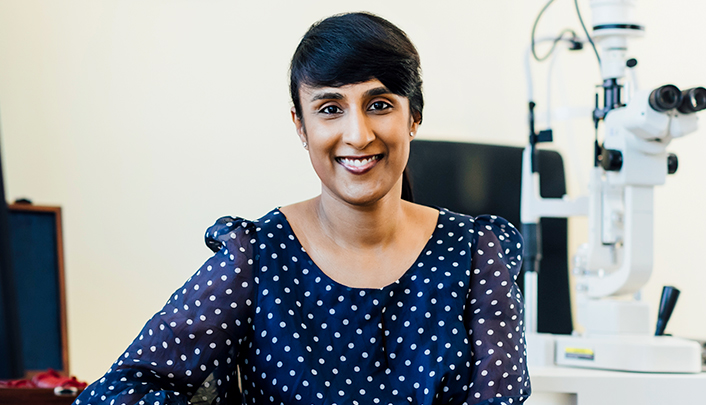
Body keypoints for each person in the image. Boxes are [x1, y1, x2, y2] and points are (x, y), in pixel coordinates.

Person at [74, 12, 530, 405]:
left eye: (380, 104)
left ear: (413, 117)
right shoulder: (255, 255)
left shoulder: (477, 254)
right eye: (330, 108)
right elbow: (120, 390)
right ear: (300, 125)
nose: (357, 134)